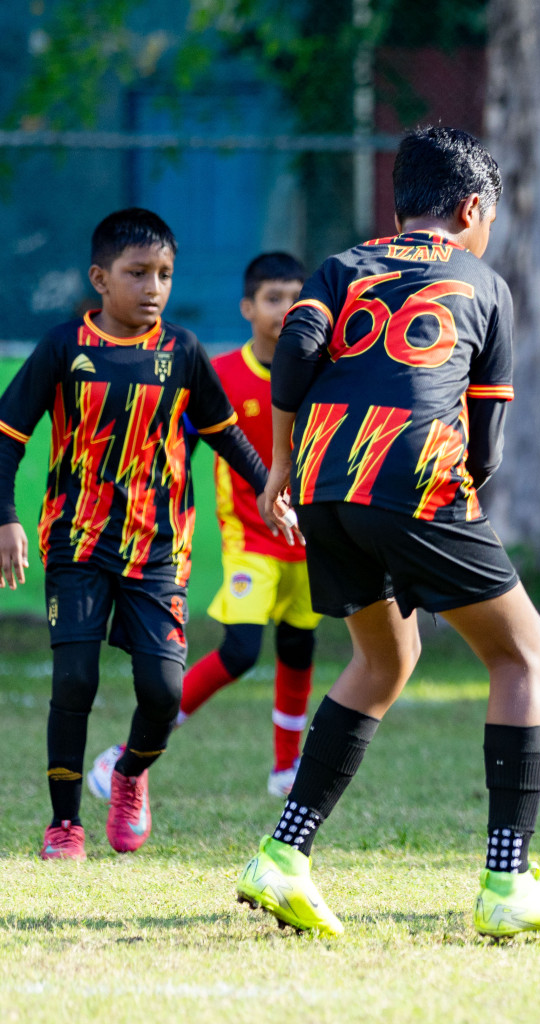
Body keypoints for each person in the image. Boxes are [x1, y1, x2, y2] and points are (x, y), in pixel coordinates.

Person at [232, 126, 540, 939]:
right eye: (490, 216)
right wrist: (457, 504)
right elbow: (488, 441)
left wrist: (283, 464)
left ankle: (282, 859)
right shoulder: (484, 284)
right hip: (415, 473)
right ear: (472, 208)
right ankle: (508, 880)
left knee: (386, 656)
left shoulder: (340, 267)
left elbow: (293, 354)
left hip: (326, 480)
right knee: (523, 649)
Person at [0, 208, 276, 860]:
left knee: (164, 690)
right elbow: (6, 437)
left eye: (165, 275)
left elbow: (224, 433)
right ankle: (65, 824)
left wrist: (270, 490)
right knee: (74, 681)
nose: (153, 287)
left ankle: (128, 774)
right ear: (100, 278)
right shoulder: (65, 349)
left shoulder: (181, 352)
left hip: (158, 549)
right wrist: (6, 517)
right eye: (137, 273)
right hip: (77, 544)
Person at [85, 253, 319, 801]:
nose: (285, 309)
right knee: (240, 650)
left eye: (295, 297)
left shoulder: (319, 372)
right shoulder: (225, 374)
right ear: (247, 307)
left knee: (299, 646)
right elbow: (180, 447)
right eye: (272, 298)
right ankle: (130, 753)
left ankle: (286, 769)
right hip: (251, 537)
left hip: (308, 539)